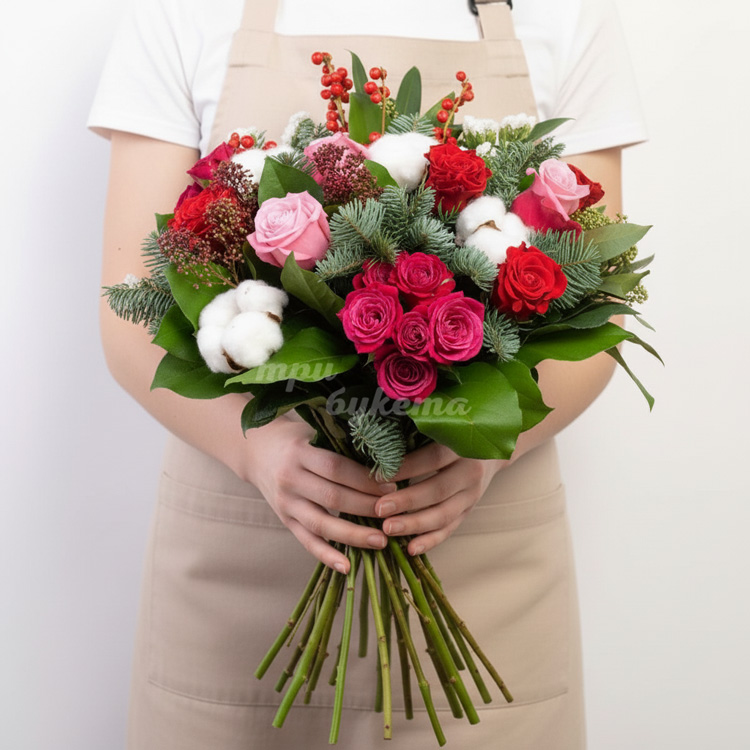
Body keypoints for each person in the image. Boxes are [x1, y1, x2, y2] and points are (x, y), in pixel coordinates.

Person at [90, 1, 646, 747]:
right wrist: (257, 451)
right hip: (238, 573)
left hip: (481, 565)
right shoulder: (181, 12)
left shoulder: (566, 14)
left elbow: (596, 307)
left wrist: (484, 453)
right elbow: (132, 311)